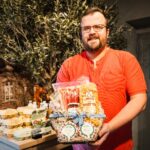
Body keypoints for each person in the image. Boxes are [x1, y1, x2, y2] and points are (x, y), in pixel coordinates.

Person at [56, 7, 147, 150]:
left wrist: (109, 127)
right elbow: (61, 108)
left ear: (107, 32)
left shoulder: (126, 59)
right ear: (81, 34)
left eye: (98, 27)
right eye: (86, 28)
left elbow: (140, 101)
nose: (92, 32)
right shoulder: (68, 66)